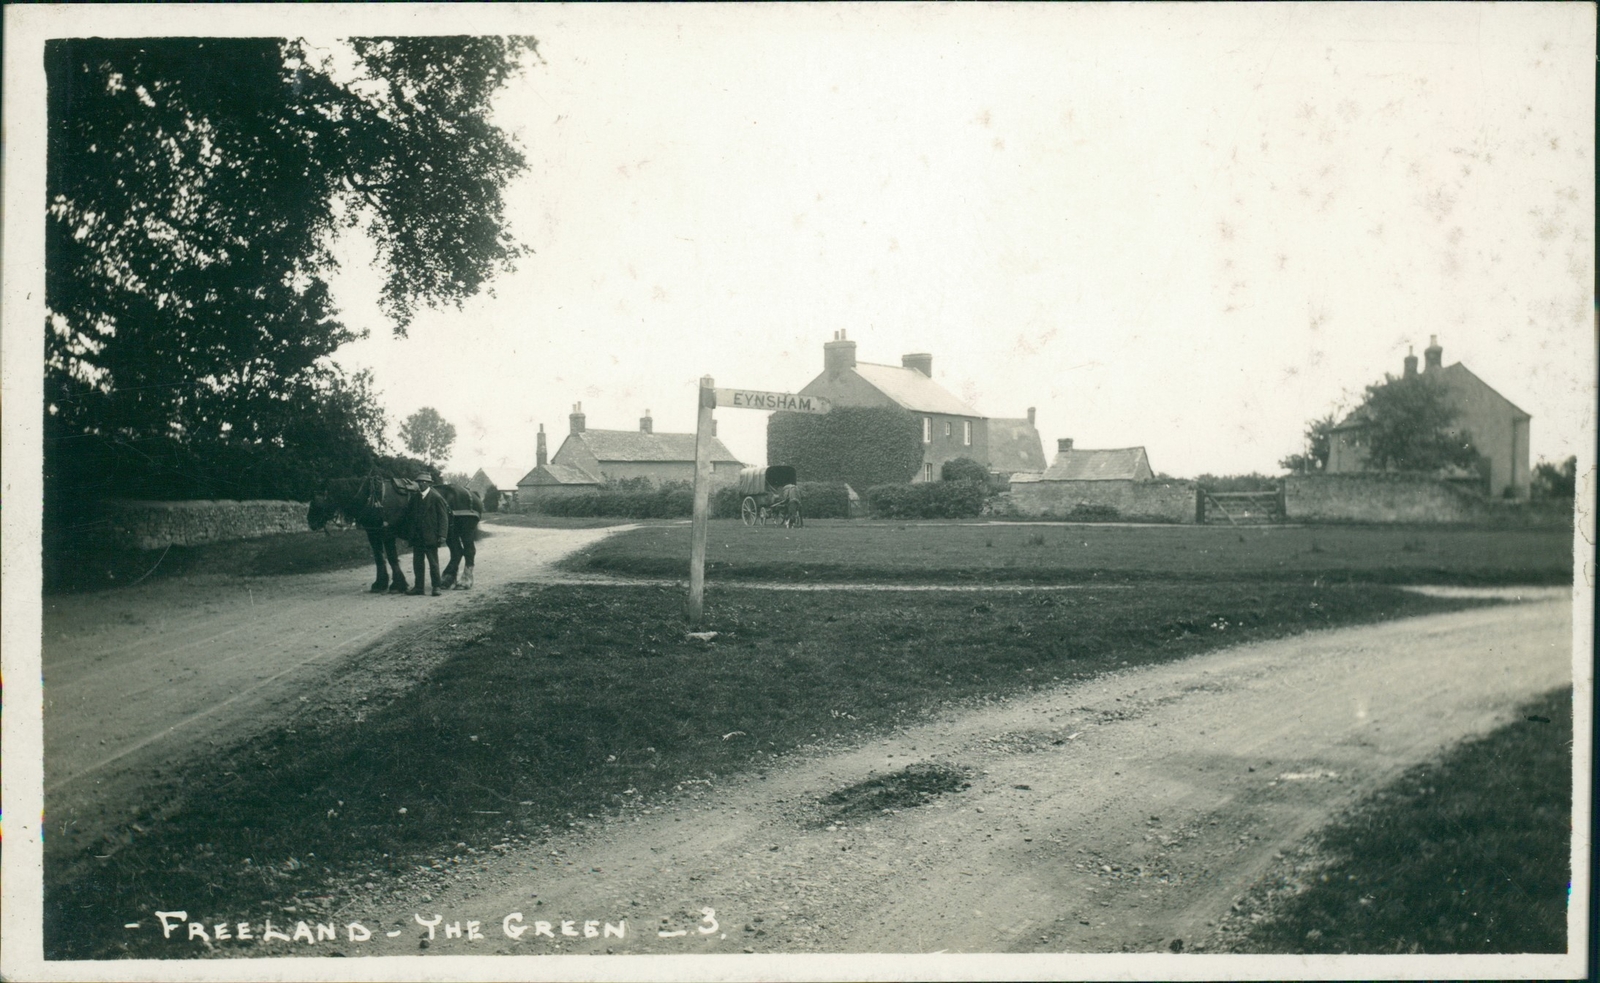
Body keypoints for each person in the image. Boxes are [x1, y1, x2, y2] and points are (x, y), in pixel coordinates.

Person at [406, 471, 451, 597]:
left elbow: (443, 518)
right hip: (417, 537)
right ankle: (419, 587)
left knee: (433, 563)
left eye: (422, 482)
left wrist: (442, 535)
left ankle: (436, 587)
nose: (420, 484)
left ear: (428, 483)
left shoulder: (436, 497)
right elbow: (409, 516)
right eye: (419, 482)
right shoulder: (415, 498)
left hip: (431, 536)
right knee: (417, 563)